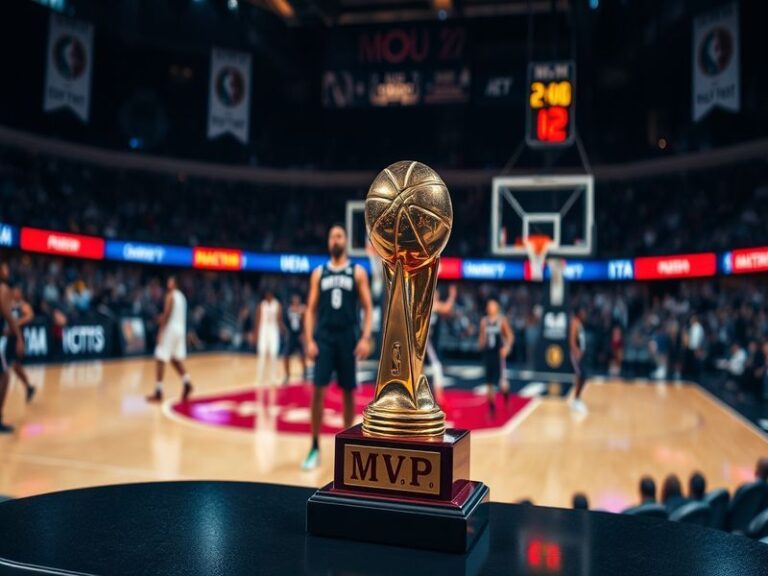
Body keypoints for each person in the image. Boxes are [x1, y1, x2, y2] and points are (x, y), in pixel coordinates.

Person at [301, 225, 373, 470]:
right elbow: (310, 309)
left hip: (347, 338)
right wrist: (309, 340)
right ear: (328, 242)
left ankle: (345, 450)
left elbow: (368, 307)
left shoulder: (358, 271)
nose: (335, 239)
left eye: (339, 235)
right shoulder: (318, 273)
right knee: (318, 391)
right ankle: (314, 447)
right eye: (332, 236)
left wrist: (364, 338)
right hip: (324, 338)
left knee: (348, 393)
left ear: (346, 241)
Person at [147, 276, 192, 403]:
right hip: (180, 330)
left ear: (175, 284)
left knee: (160, 358)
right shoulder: (182, 297)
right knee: (174, 358)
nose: (168, 283)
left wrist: (160, 330)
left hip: (171, 330)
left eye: (170, 281)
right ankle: (187, 382)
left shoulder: (170, 295)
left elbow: (167, 315)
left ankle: (158, 391)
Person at [0, 262, 24, 433]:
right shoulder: (3, 289)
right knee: (5, 377)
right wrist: (19, 337)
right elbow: (8, 314)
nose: (8, 270)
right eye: (5, 268)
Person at [478, 298, 513, 417]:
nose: (490, 308)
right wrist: (481, 343)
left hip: (499, 355)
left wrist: (507, 348)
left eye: (492, 306)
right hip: (489, 355)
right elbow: (482, 338)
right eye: (489, 306)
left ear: (497, 308)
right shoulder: (484, 321)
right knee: (489, 383)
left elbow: (510, 336)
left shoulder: (501, 320)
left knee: (503, 384)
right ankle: (492, 409)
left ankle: (506, 398)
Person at [4, 286, 36, 402]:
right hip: (8, 339)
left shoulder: (23, 305)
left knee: (15, 365)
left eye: (17, 290)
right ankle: (29, 387)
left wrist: (16, 323)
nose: (14, 292)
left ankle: (29, 387)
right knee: (11, 367)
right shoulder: (8, 304)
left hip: (18, 338)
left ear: (20, 293)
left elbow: (30, 316)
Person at [428, 284, 457, 403]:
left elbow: (447, 310)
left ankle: (438, 398)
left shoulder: (435, 305)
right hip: (420, 341)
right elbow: (446, 308)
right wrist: (452, 296)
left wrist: (452, 297)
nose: (437, 295)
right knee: (434, 367)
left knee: (436, 367)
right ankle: (437, 398)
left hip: (428, 342)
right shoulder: (428, 304)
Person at [253, 290, 285, 395]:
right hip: (263, 330)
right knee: (261, 354)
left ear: (272, 295)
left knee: (273, 354)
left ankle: (273, 379)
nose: (268, 296)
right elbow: (257, 320)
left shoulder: (277, 305)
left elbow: (279, 320)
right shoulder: (261, 305)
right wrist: (256, 334)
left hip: (273, 330)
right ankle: (259, 379)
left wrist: (282, 330)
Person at [568, 306, 589, 415]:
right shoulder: (574, 323)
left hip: (580, 354)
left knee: (582, 377)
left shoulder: (579, 323)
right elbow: (571, 340)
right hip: (575, 355)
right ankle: (575, 400)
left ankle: (576, 399)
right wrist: (577, 352)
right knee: (582, 376)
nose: (585, 314)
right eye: (583, 312)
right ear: (579, 313)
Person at [283, 294, 306, 383]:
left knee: (302, 355)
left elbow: (304, 322)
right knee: (286, 355)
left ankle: (304, 373)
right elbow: (285, 321)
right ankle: (287, 375)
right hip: (291, 335)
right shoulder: (289, 310)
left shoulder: (302, 310)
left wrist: (303, 333)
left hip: (299, 335)